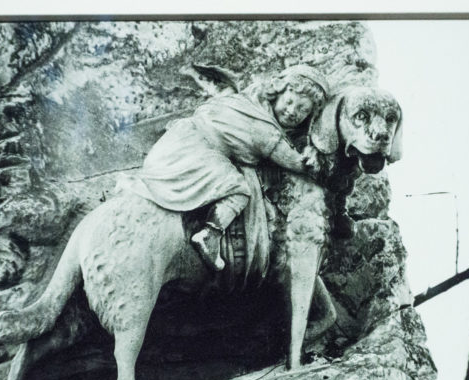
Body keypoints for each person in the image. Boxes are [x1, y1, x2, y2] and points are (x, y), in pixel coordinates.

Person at [127, 65, 329, 272]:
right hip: (199, 152)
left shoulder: (247, 101)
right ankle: (210, 235)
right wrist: (318, 159)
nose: (292, 111)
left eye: (303, 110)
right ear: (277, 92)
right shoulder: (263, 127)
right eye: (289, 102)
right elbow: (295, 162)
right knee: (239, 189)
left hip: (178, 141)